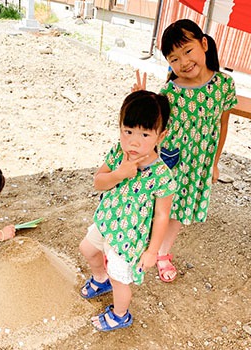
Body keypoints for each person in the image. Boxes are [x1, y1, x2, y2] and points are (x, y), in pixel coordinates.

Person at [132, 19, 238, 283]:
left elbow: (222, 125)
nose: (183, 62)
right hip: (170, 160)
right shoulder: (170, 90)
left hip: (198, 163)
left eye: (187, 51)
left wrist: (214, 162)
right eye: (174, 58)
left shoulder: (225, 85)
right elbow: (154, 123)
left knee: (180, 210)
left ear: (203, 44)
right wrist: (142, 98)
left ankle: (163, 253)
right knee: (158, 205)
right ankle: (141, 246)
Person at [79, 90, 177, 331]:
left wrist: (153, 252)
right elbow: (98, 181)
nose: (134, 141)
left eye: (145, 134)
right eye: (128, 131)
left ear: (161, 135)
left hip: (130, 239)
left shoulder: (163, 176)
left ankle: (120, 314)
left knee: (120, 279)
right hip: (107, 222)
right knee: (87, 249)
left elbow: (162, 215)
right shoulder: (118, 154)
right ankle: (100, 280)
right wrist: (119, 173)